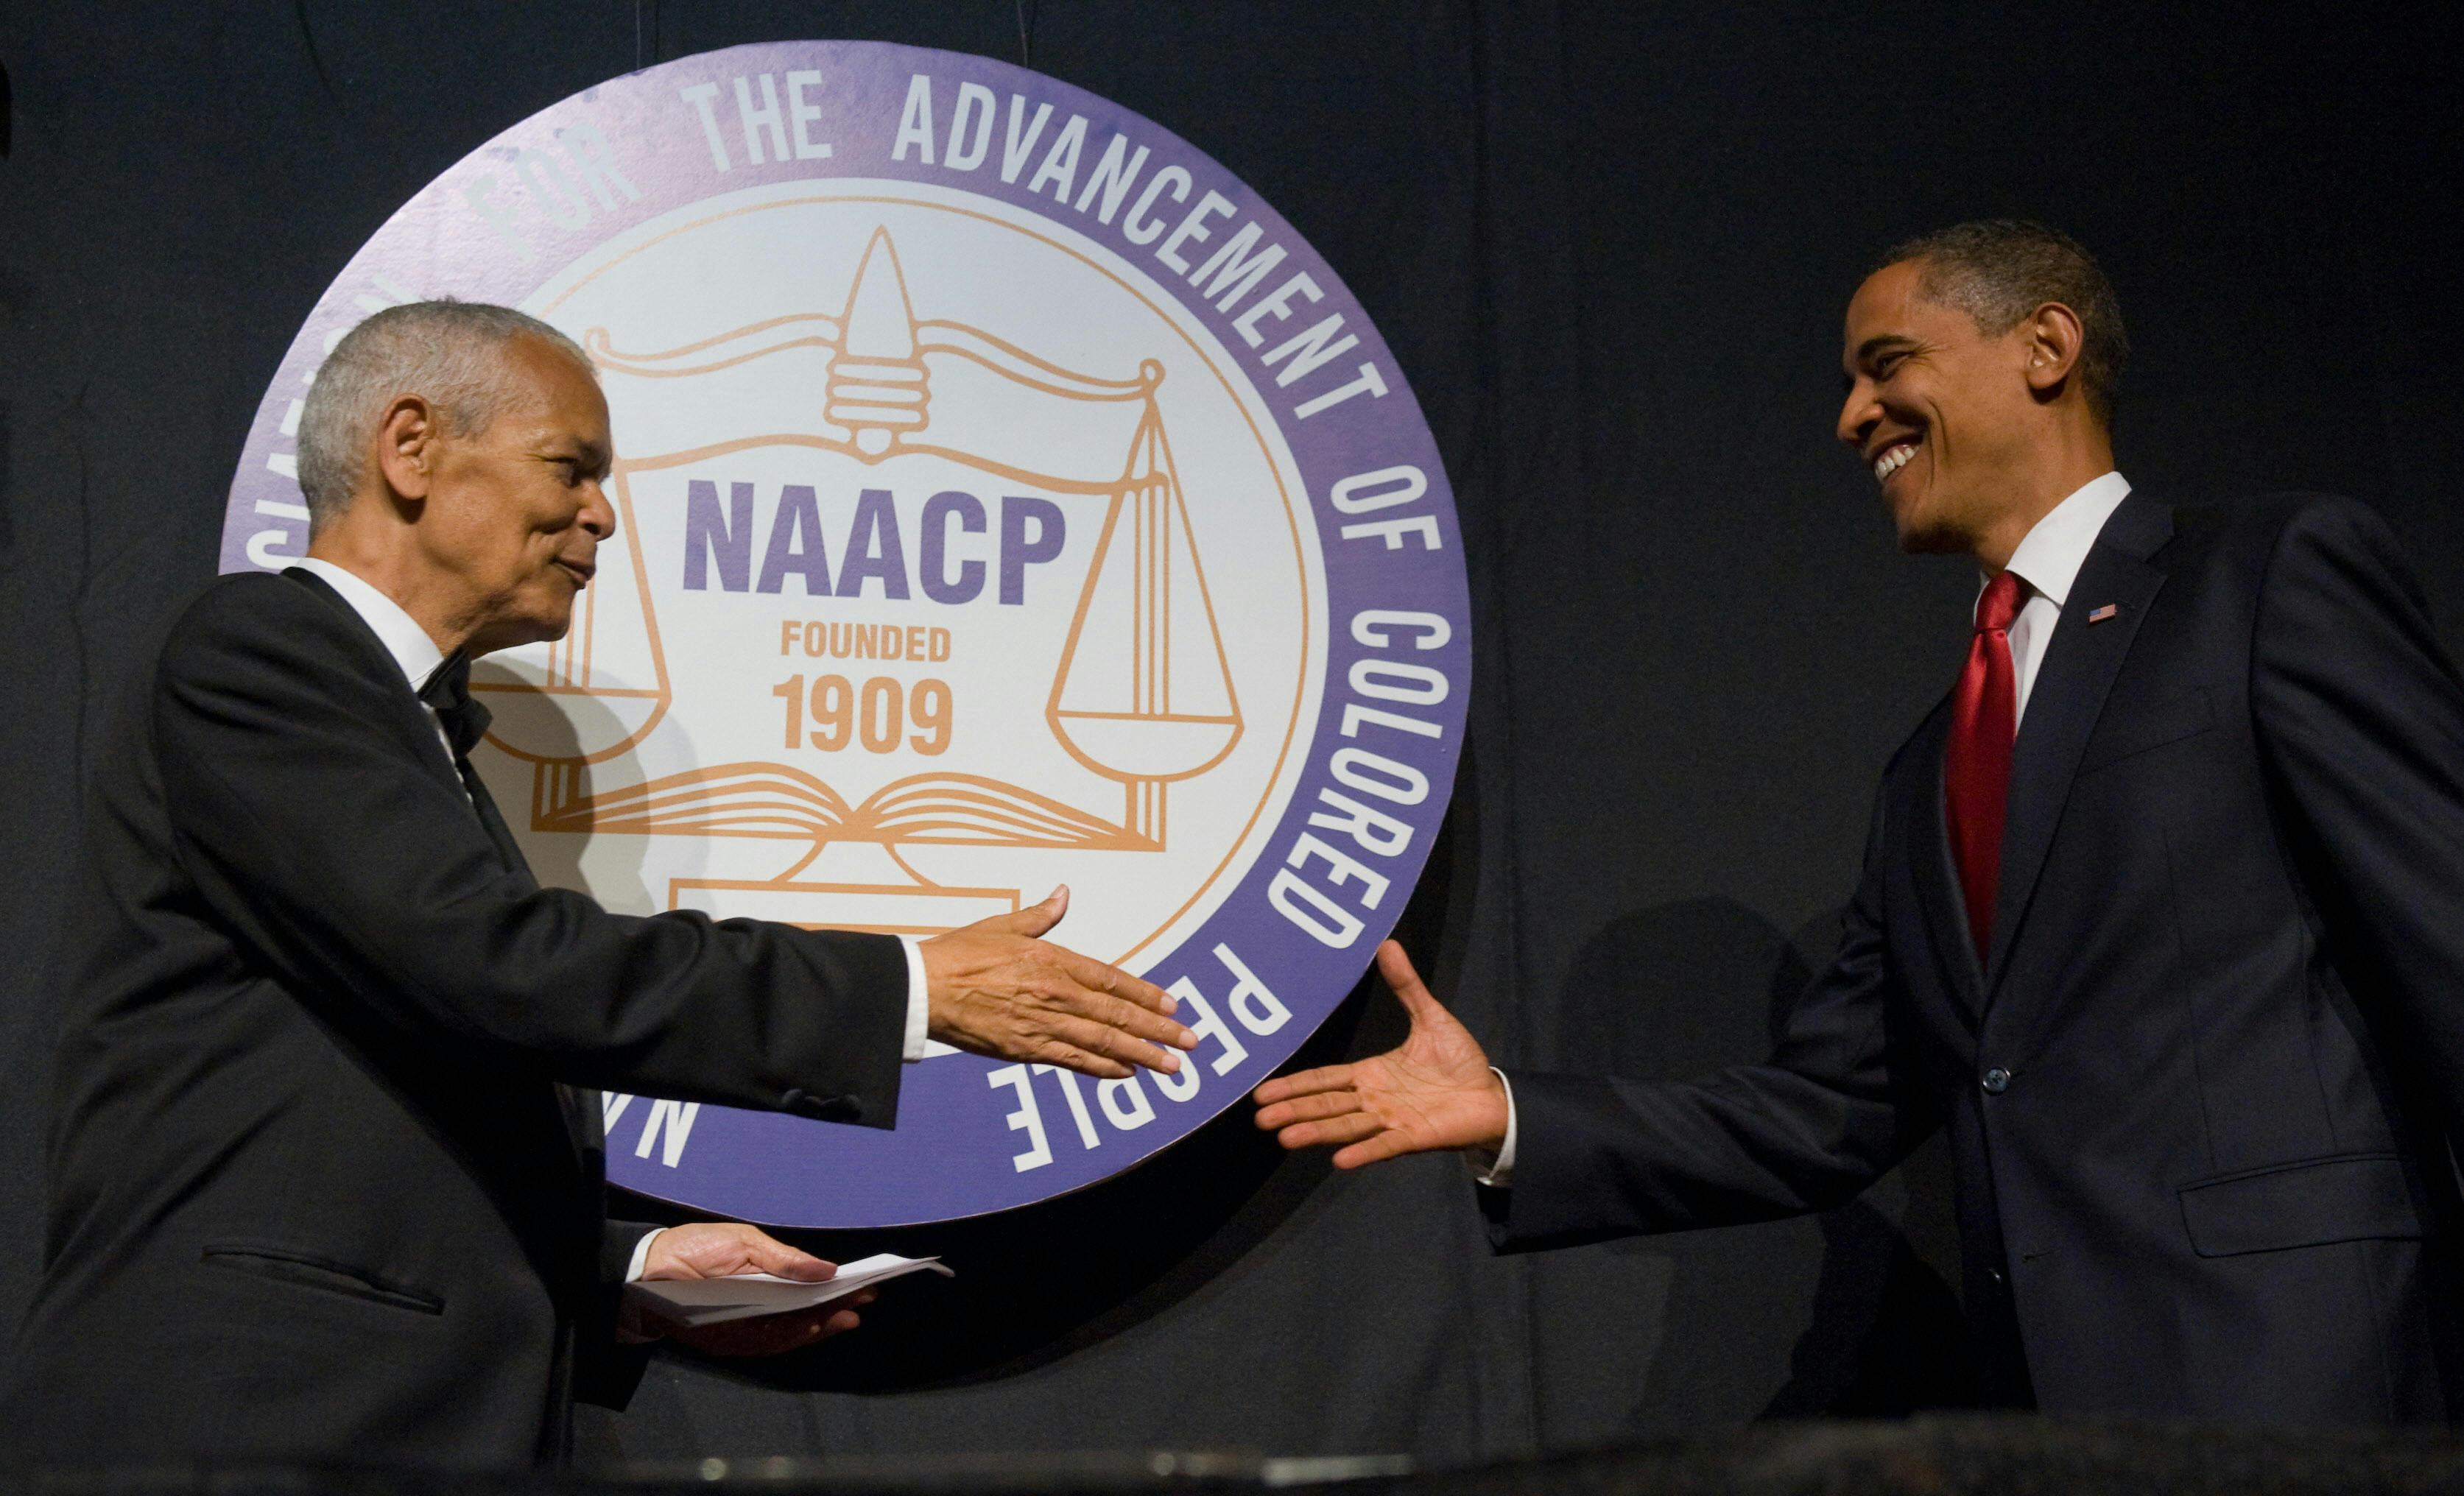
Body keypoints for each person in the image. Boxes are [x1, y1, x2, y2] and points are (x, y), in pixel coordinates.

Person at [1255, 221, 2464, 1423]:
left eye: (1887, 365)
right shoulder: (1928, 768)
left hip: (2306, 1372)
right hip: (2054, 1412)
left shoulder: (2263, 578)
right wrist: (1510, 1117)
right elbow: (1824, 1110)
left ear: (2044, 347)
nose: (1850, 418)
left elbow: (2442, 931)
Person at [0, 302, 1198, 1467]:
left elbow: (383, 1088)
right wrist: (905, 988)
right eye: (569, 467)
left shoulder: (415, 733)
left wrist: (622, 1269)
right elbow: (491, 963)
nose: (602, 515)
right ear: (411, 447)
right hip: (254, 1417)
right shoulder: (262, 651)